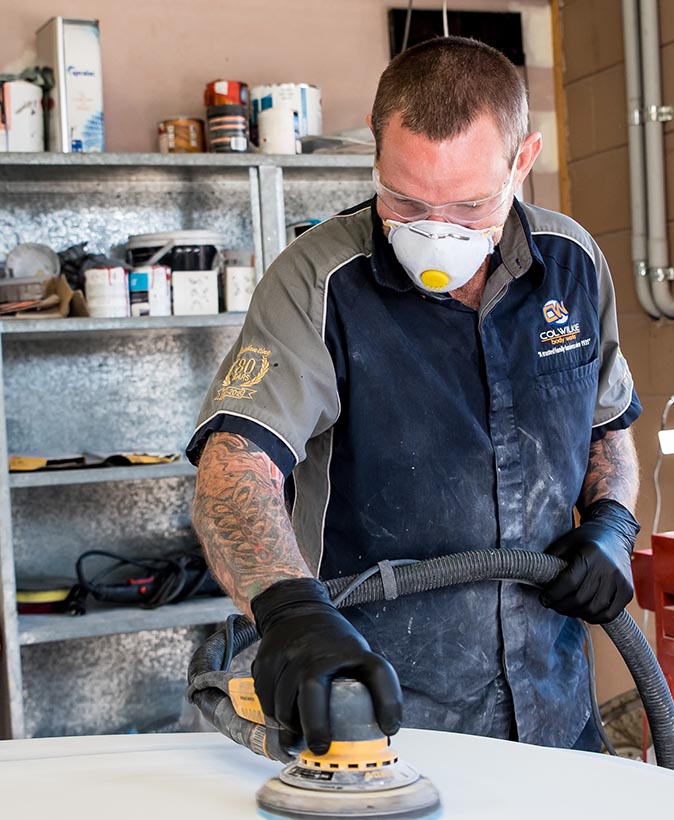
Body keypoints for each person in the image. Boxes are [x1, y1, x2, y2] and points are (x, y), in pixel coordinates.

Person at [188, 37, 642, 757]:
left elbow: (607, 426)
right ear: (376, 151)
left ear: (523, 160)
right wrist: (290, 611)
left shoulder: (573, 265)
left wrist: (613, 525)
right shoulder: (319, 282)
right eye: (404, 199)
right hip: (370, 715)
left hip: (554, 712)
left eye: (468, 205)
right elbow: (233, 468)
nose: (435, 231)